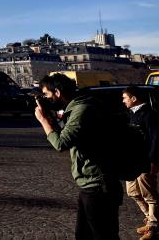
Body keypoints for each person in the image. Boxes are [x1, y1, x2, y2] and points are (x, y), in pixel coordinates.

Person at [34, 73, 122, 239]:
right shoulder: (77, 108)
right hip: (89, 183)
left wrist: (43, 119)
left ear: (57, 92)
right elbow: (66, 133)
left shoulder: (83, 110)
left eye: (46, 94)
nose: (45, 99)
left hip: (98, 184)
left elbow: (61, 143)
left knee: (103, 235)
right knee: (83, 235)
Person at [122, 86, 159, 239]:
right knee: (132, 192)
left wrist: (153, 160)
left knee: (149, 194)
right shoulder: (130, 114)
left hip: (145, 161)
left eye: (125, 97)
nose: (123, 101)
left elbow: (156, 140)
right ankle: (150, 218)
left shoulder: (150, 115)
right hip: (131, 161)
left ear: (134, 98)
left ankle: (153, 226)